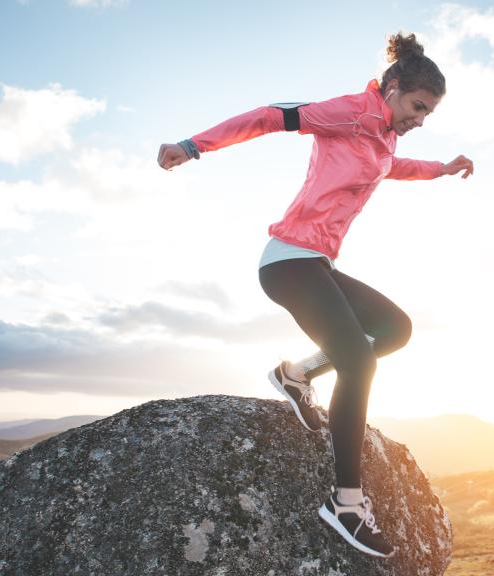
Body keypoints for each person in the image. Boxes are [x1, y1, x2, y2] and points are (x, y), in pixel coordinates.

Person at [157, 32, 473, 558]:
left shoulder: (384, 138)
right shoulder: (349, 112)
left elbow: (390, 168)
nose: (420, 119)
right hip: (288, 262)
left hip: (317, 265)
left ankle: (296, 374)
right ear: (393, 88)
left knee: (395, 329)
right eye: (418, 107)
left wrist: (439, 169)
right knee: (358, 362)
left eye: (428, 113)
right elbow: (269, 116)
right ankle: (346, 503)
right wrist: (193, 147)